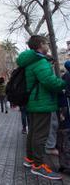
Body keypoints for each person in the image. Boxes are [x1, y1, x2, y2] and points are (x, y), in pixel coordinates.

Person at [17, 35, 66, 180]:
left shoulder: (31, 61)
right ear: (39, 45)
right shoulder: (40, 61)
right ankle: (38, 166)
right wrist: (63, 84)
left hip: (34, 102)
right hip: (41, 102)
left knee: (33, 132)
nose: (48, 46)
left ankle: (30, 159)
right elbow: (49, 81)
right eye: (46, 43)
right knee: (40, 135)